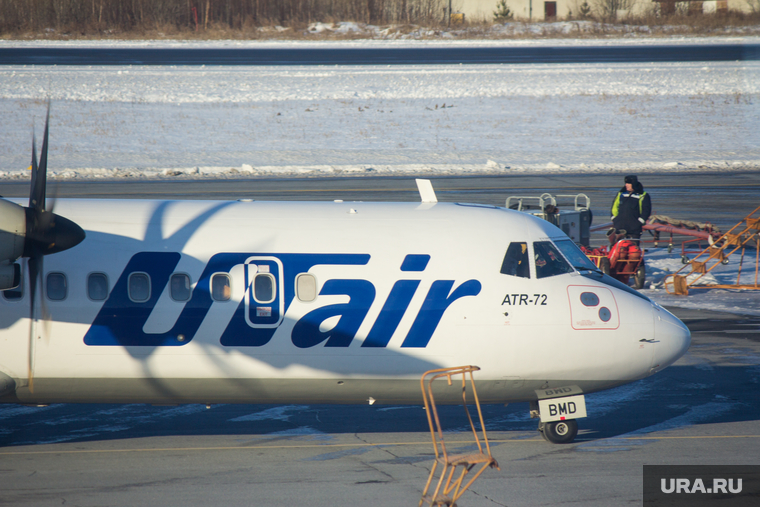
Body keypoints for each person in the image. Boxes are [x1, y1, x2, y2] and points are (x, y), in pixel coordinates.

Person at [610, 174, 651, 242]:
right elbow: (614, 207)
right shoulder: (621, 194)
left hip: (634, 228)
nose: (626, 185)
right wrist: (614, 218)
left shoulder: (643, 195)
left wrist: (639, 222)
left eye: (629, 183)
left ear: (634, 184)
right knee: (619, 249)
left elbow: (646, 210)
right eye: (626, 183)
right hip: (620, 226)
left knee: (633, 249)